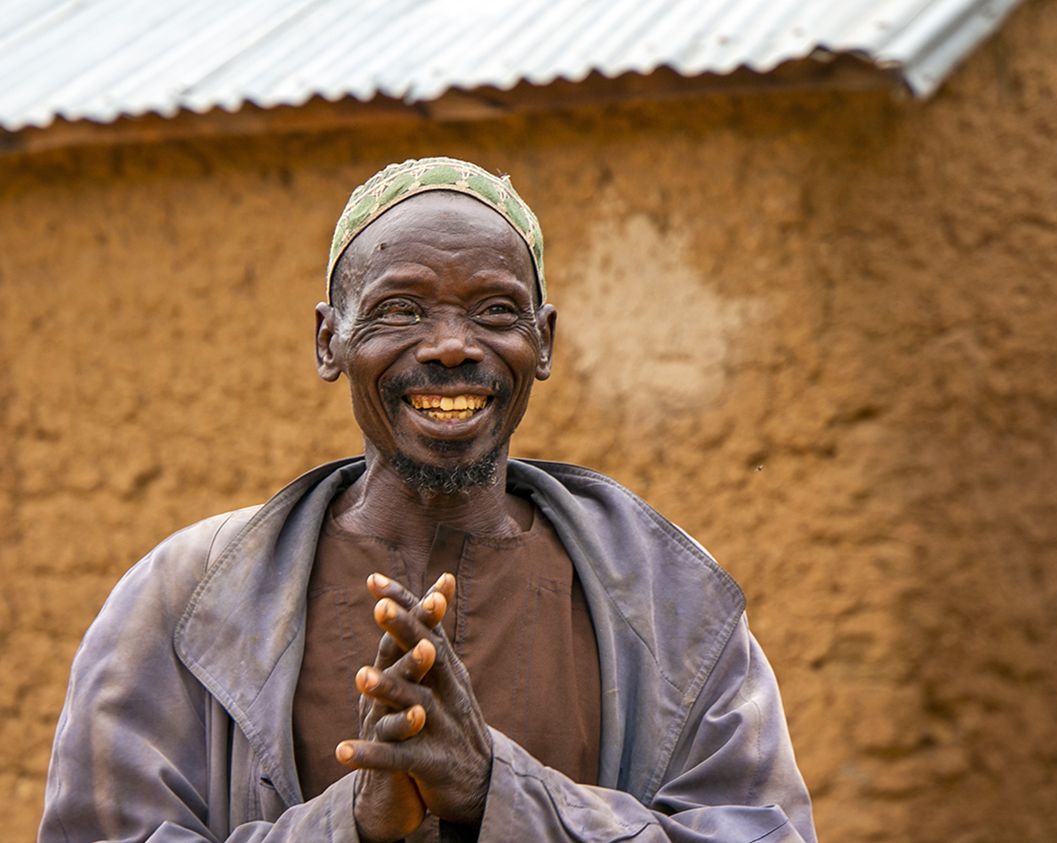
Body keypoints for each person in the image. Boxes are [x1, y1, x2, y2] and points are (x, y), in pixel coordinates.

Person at [38, 157, 816, 843]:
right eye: (401, 309)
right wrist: (349, 824)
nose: (451, 344)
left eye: (495, 311)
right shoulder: (181, 600)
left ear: (542, 343)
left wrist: (494, 790)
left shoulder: (671, 602)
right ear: (329, 341)